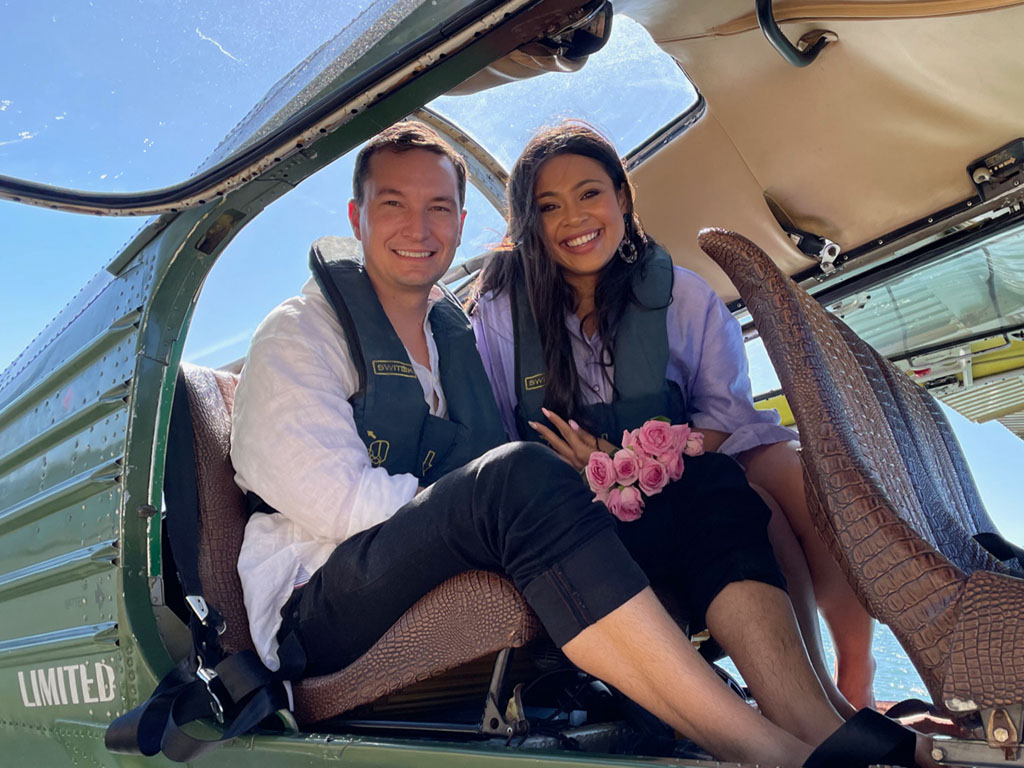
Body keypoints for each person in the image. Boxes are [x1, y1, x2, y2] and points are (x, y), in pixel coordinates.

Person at [231, 121, 920, 766]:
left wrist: (597, 479)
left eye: (439, 207)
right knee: (520, 475)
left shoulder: (454, 347)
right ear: (356, 219)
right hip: (316, 604)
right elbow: (337, 503)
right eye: (393, 205)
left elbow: (502, 496)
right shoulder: (299, 333)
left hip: (447, 554)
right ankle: (764, 750)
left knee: (705, 485)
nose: (419, 227)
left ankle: (813, 721)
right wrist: (501, 502)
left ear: (462, 224)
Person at [469, 122, 881, 713]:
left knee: (789, 474)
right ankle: (805, 701)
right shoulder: (500, 311)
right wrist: (591, 470)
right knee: (752, 508)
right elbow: (501, 437)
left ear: (621, 197)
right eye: (548, 206)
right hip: (572, 499)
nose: (574, 218)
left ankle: (849, 682)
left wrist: (635, 461)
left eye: (590, 193)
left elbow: (725, 416)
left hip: (684, 470)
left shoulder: (684, 297)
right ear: (529, 224)